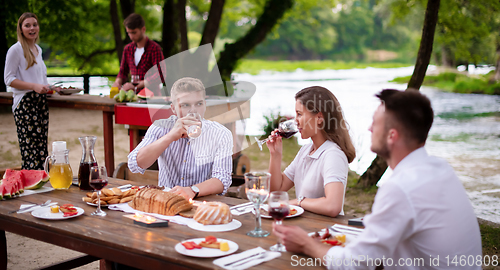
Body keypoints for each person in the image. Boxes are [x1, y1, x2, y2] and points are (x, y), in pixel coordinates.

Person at [274, 89, 482, 270]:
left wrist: (306, 244)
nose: (369, 129)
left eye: (375, 123)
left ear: (391, 135)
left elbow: (356, 263)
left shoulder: (401, 188)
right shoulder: (440, 169)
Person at [127, 77, 233, 199]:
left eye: (199, 104)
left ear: (205, 105)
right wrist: (170, 136)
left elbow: (222, 180)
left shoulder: (221, 134)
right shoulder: (160, 127)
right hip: (166, 201)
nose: (193, 111)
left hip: (203, 203)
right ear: (173, 108)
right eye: (185, 105)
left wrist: (192, 191)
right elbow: (134, 164)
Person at [267, 86, 356, 217]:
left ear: (319, 118)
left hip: (325, 232)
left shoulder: (333, 155)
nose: (295, 121)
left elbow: (333, 206)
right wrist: (275, 155)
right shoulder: (305, 151)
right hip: (305, 227)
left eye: (299, 114)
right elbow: (276, 190)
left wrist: (299, 202)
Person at [4, 12, 59, 170]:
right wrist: (33, 86)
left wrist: (51, 87)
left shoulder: (38, 49)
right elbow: (8, 79)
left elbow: (39, 79)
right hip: (25, 104)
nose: (32, 28)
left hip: (40, 102)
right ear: (21, 29)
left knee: (42, 149)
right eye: (27, 25)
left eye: (34, 24)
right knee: (30, 150)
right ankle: (30, 187)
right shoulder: (15, 50)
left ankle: (40, 184)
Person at [112, 13, 164, 93]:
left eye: (134, 32)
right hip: (133, 96)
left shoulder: (154, 48)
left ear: (143, 29)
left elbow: (161, 74)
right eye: (128, 33)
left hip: (152, 96)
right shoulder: (127, 49)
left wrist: (141, 83)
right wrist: (117, 82)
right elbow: (123, 71)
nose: (131, 36)